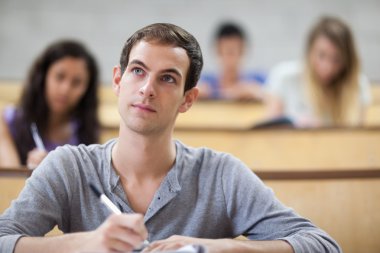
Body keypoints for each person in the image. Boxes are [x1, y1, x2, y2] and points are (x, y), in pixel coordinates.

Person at [0, 23, 341, 253]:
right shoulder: (68, 166)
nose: (147, 89)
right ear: (118, 81)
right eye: (138, 71)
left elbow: (324, 244)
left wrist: (224, 247)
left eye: (167, 79)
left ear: (188, 99)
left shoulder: (220, 173)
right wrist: (84, 243)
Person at [0, 40, 100, 169]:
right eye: (59, 77)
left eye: (76, 82)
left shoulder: (85, 133)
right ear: (42, 77)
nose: (65, 89)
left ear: (87, 90)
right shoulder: (8, 121)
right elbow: (10, 179)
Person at [265, 16, 372, 128]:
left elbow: (357, 138)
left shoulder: (358, 85)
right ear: (309, 51)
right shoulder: (284, 77)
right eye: (321, 55)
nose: (328, 67)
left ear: (348, 60)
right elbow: (270, 134)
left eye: (337, 59)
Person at [198, 22, 265, 101]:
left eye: (232, 52)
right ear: (218, 50)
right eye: (226, 51)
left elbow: (273, 95)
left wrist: (256, 93)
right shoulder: (205, 80)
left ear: (242, 50)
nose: (229, 58)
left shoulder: (258, 79)